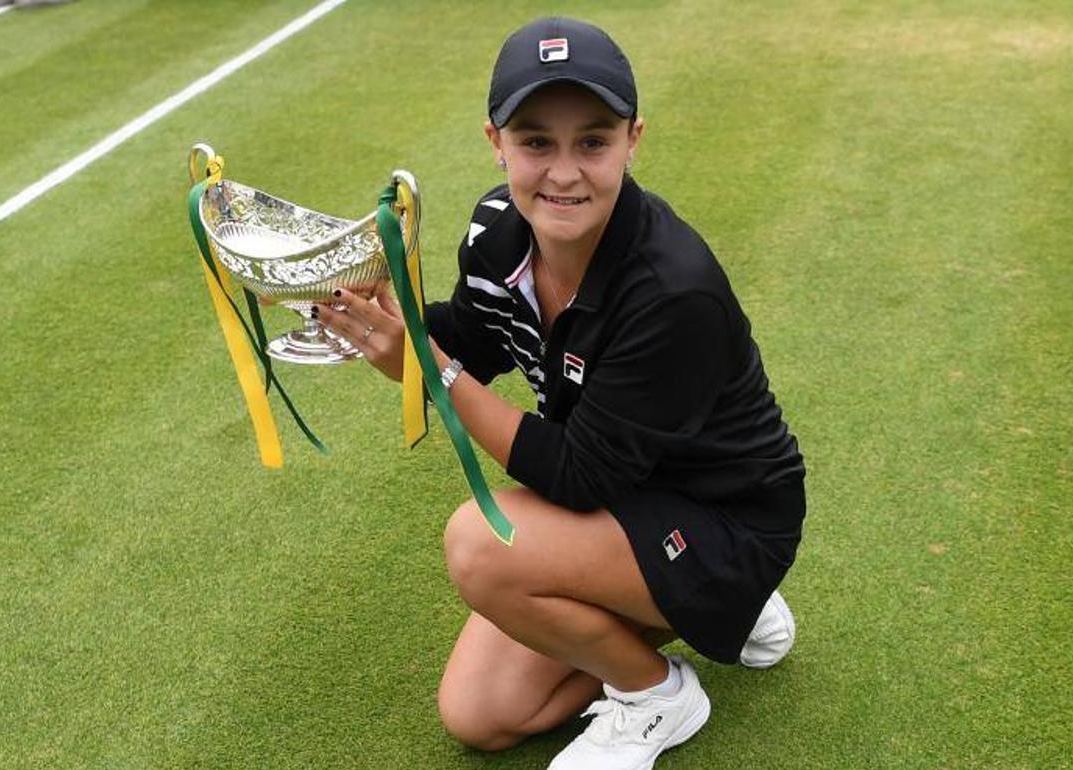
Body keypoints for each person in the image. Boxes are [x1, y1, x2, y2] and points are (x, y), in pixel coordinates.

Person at [312, 16, 806, 770]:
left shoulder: (674, 291)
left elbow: (579, 475)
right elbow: (475, 336)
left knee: (481, 544)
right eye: (537, 141)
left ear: (633, 140)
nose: (564, 173)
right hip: (623, 510)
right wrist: (382, 315)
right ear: (496, 142)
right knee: (480, 716)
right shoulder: (494, 232)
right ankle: (706, 616)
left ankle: (660, 691)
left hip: (726, 524)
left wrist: (430, 374)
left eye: (594, 141)